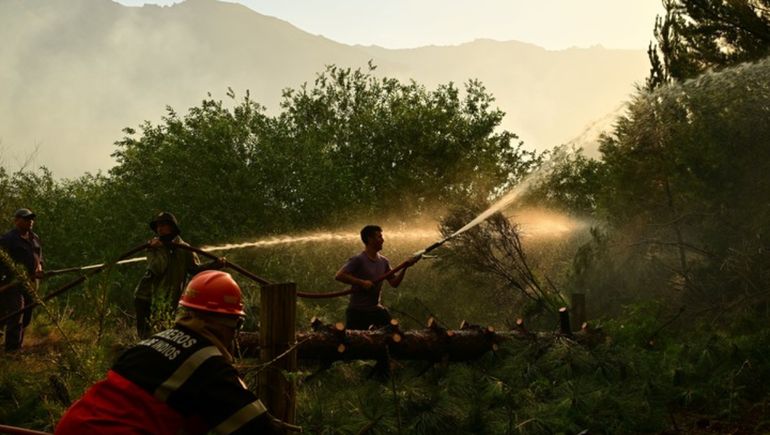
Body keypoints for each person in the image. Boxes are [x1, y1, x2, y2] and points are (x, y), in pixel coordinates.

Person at [56, 270, 297, 434]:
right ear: (224, 323)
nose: (235, 334)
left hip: (73, 425)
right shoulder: (208, 364)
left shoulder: (152, 343)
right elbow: (256, 427)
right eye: (237, 324)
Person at [134, 212, 224, 338]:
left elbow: (195, 270)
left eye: (163, 225)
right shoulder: (152, 247)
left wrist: (215, 264)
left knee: (163, 334)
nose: (159, 229)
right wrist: (159, 249)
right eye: (158, 226)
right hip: (145, 297)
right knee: (145, 337)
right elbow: (158, 268)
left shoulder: (184, 249)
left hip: (169, 300)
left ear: (172, 227)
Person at [335, 225, 416, 330]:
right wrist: (362, 283)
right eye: (379, 237)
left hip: (375, 309)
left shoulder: (384, 261)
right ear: (370, 239)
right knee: (353, 338)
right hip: (357, 312)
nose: (383, 240)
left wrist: (405, 267)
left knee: (394, 332)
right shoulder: (358, 259)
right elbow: (339, 275)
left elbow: (394, 283)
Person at [0, 208, 44, 352]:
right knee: (17, 313)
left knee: (26, 316)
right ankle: (12, 350)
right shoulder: (8, 239)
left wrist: (39, 268)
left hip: (31, 283)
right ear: (16, 220)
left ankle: (17, 345)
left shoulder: (34, 238)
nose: (30, 221)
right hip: (13, 284)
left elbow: (39, 258)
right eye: (26, 219)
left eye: (31, 219)